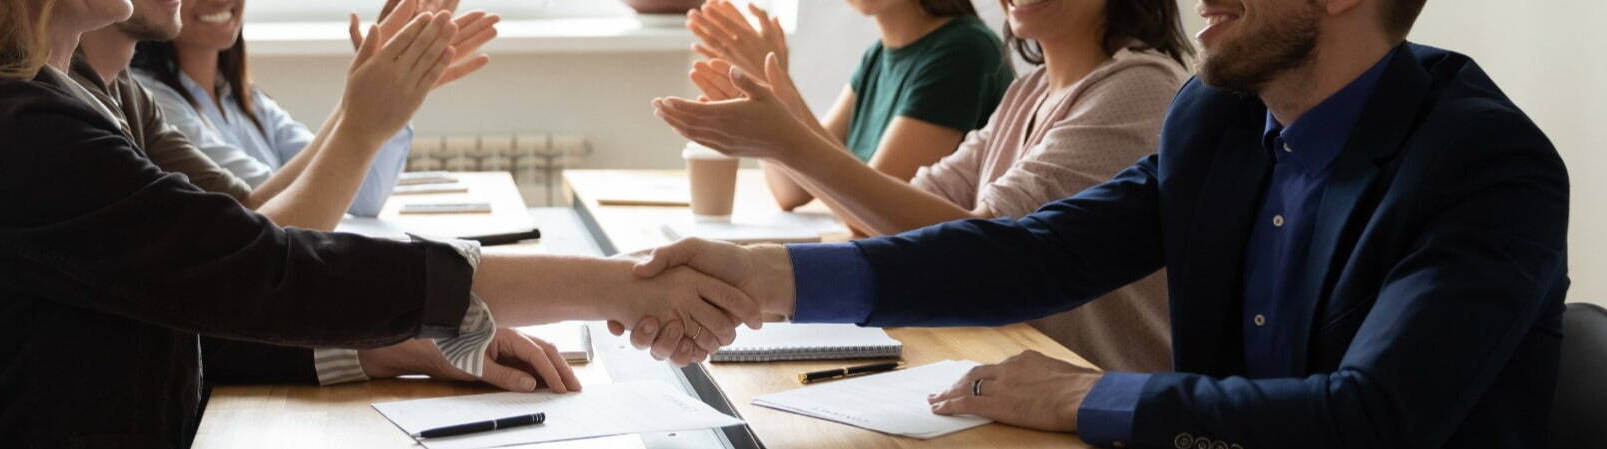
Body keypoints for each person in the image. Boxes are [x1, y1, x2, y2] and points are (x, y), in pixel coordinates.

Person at [0, 1, 759, 447]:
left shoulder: (46, 102)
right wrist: (615, 283)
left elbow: (174, 304)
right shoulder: (14, 129)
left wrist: (387, 349)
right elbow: (264, 269)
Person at [632, 0, 1569, 446]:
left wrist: (1079, 395)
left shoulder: (1484, 168)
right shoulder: (1219, 119)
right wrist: (771, 280)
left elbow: (1371, 418)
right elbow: (1033, 254)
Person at [662, 0, 1193, 372]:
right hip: (1018, 373)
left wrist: (789, 142)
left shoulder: (1137, 87)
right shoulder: (1028, 94)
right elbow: (901, 209)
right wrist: (780, 131)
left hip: (1102, 393)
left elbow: (992, 250)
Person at [70, 0, 547, 390]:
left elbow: (259, 213)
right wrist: (360, 119)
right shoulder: (110, 108)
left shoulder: (158, 96)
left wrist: (372, 105)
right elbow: (261, 254)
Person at [127, 0, 498, 224]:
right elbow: (277, 207)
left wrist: (392, 91)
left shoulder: (248, 102)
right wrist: (366, 102)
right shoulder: (156, 102)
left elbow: (361, 195)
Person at [686, 0, 1013, 213]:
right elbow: (792, 191)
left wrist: (773, 86)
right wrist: (761, 89)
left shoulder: (964, 52)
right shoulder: (877, 58)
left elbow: (872, 213)